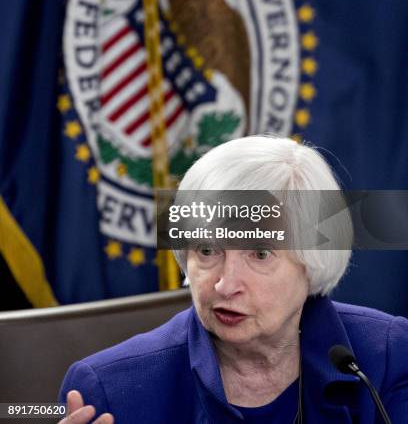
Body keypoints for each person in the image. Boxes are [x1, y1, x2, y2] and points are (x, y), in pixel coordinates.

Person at [58, 135, 408, 423]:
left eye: (259, 254)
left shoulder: (387, 357)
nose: (225, 285)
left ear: (313, 261)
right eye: (208, 251)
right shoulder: (108, 389)